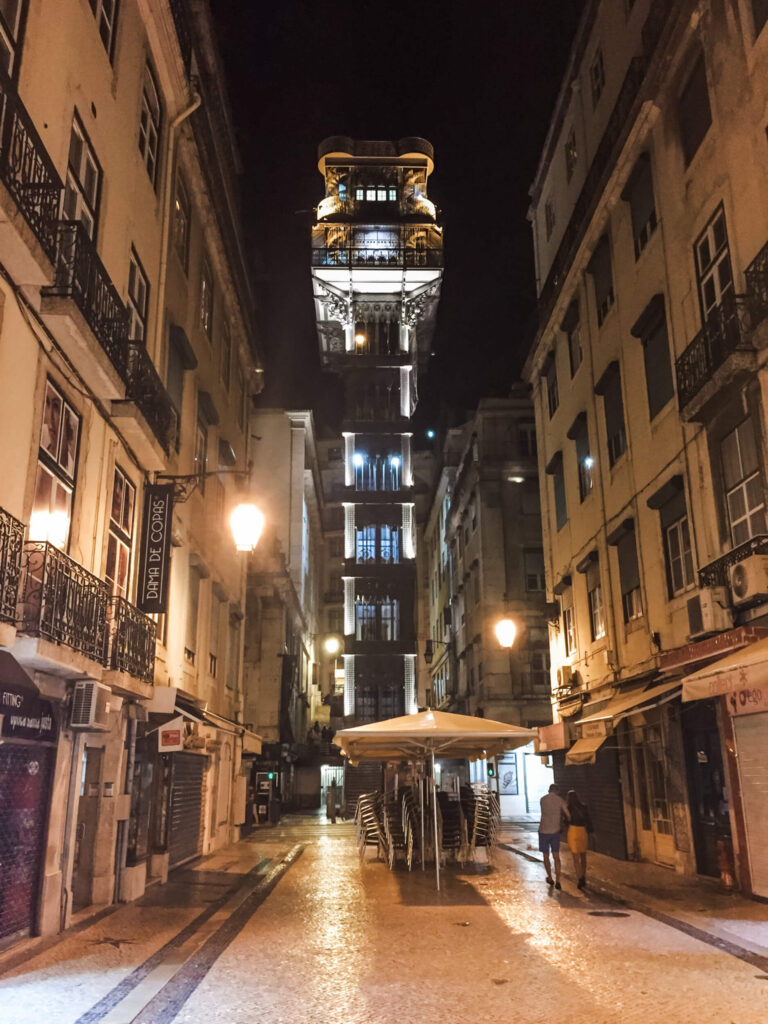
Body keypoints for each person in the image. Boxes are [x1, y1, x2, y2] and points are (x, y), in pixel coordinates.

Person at [538, 783, 569, 889]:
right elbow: (567, 813)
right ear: (557, 791)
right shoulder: (560, 800)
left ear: (549, 790)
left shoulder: (542, 799)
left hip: (543, 831)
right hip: (555, 831)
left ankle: (550, 877)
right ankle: (558, 880)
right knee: (556, 856)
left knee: (545, 856)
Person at [566, 789, 593, 889]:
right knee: (583, 856)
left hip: (573, 831)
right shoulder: (584, 807)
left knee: (575, 858)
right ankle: (584, 876)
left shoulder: (568, 808)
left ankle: (579, 878)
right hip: (582, 831)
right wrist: (591, 832)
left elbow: (566, 821)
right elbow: (588, 820)